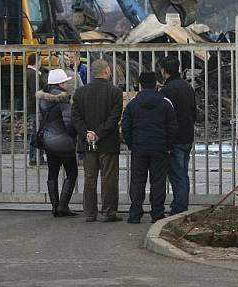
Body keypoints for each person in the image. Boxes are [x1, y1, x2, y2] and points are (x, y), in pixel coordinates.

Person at [71, 59, 123, 222]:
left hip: (87, 143)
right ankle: (108, 211)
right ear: (106, 71)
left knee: (89, 178)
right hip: (107, 143)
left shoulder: (80, 92)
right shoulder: (115, 92)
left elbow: (76, 117)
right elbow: (114, 118)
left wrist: (87, 133)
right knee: (109, 178)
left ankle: (90, 213)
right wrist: (99, 133)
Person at [123, 71, 177, 223]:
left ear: (140, 84)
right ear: (155, 84)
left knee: (137, 181)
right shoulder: (165, 103)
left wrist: (131, 144)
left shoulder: (133, 104)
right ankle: (157, 213)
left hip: (139, 147)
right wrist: (168, 145)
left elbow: (125, 126)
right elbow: (173, 127)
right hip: (159, 148)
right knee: (158, 181)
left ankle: (135, 213)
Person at [37, 69, 78, 217]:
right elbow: (69, 122)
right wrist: (74, 136)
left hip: (48, 140)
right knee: (72, 173)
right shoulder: (62, 99)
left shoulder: (43, 99)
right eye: (65, 81)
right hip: (64, 142)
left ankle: (54, 207)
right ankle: (63, 206)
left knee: (52, 173)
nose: (66, 84)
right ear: (60, 83)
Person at [159, 56, 196, 215]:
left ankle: (180, 207)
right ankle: (181, 204)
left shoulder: (167, 90)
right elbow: (194, 112)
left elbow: (164, 117)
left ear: (163, 71)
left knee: (177, 174)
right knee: (182, 172)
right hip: (188, 136)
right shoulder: (187, 87)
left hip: (175, 139)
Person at [26, 53, 46, 166]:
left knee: (37, 132)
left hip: (34, 107)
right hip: (36, 108)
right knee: (37, 132)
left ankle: (36, 156)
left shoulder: (31, 73)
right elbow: (36, 92)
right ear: (36, 61)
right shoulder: (33, 74)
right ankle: (35, 157)